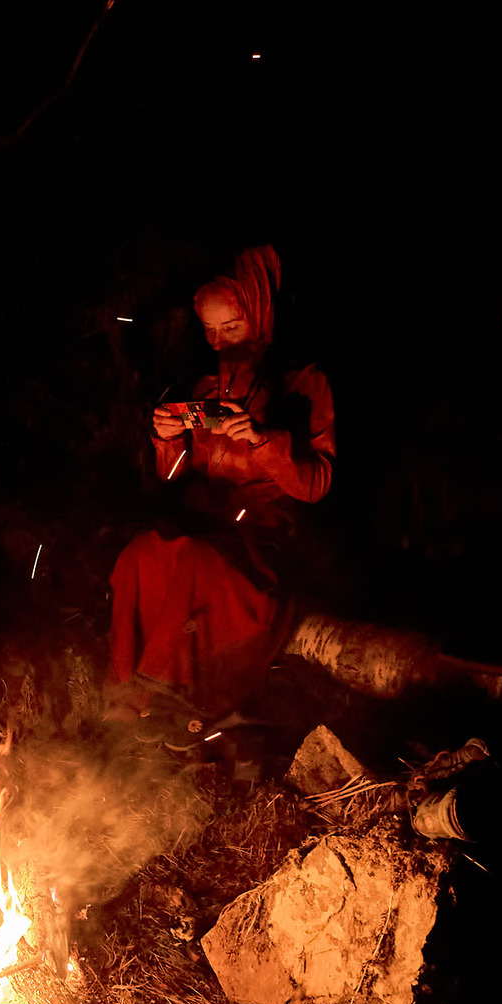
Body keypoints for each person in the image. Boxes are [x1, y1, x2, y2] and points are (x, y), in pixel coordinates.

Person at [107, 245, 336, 737]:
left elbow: (317, 484)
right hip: (208, 529)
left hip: (265, 545)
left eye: (231, 328)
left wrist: (264, 440)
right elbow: (177, 478)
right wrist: (166, 441)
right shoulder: (207, 386)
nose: (219, 342)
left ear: (259, 315)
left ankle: (162, 695)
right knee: (139, 554)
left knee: (192, 557)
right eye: (210, 331)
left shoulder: (303, 383)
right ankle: (121, 688)